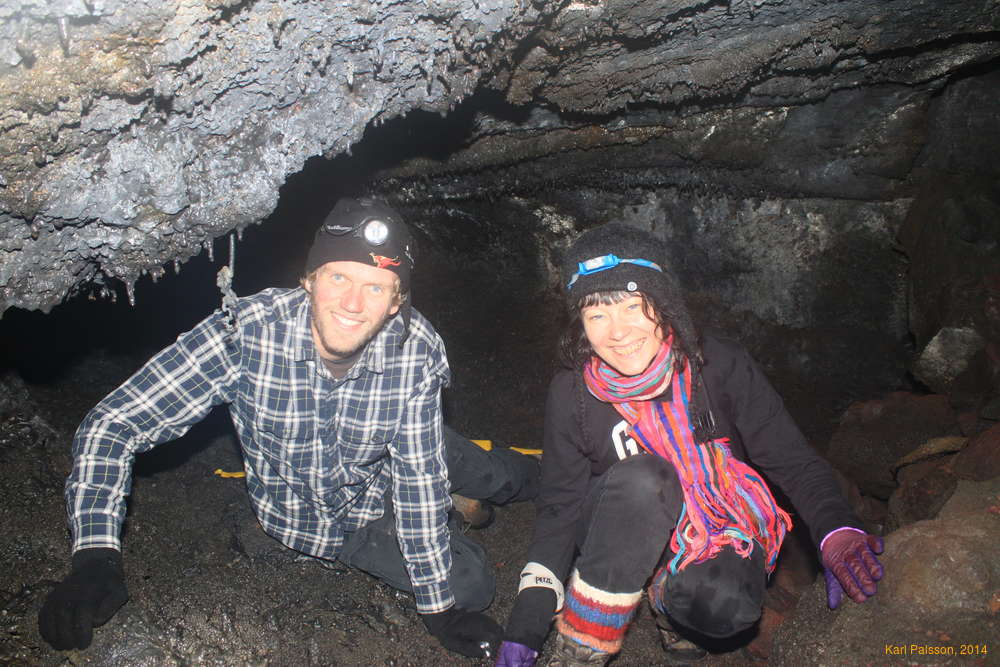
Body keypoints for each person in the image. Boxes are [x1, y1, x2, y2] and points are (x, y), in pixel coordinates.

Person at [37, 197, 539, 658]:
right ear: (309, 280)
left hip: (405, 454)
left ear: (395, 303)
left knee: (492, 474)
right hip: (338, 519)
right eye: (338, 277)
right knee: (472, 585)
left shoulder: (416, 351)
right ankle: (466, 503)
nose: (352, 303)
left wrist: (435, 612)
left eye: (375, 287)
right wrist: (95, 554)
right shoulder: (246, 333)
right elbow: (114, 423)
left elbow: (417, 482)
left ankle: (533, 475)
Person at [495, 222, 884, 667]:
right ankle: (581, 646)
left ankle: (666, 603)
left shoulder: (718, 367)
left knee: (725, 604)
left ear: (664, 305)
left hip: (713, 530)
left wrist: (836, 529)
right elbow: (560, 504)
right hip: (614, 528)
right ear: (581, 325)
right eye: (596, 314)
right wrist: (529, 616)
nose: (617, 331)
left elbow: (793, 460)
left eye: (632, 306)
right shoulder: (573, 393)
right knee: (647, 479)